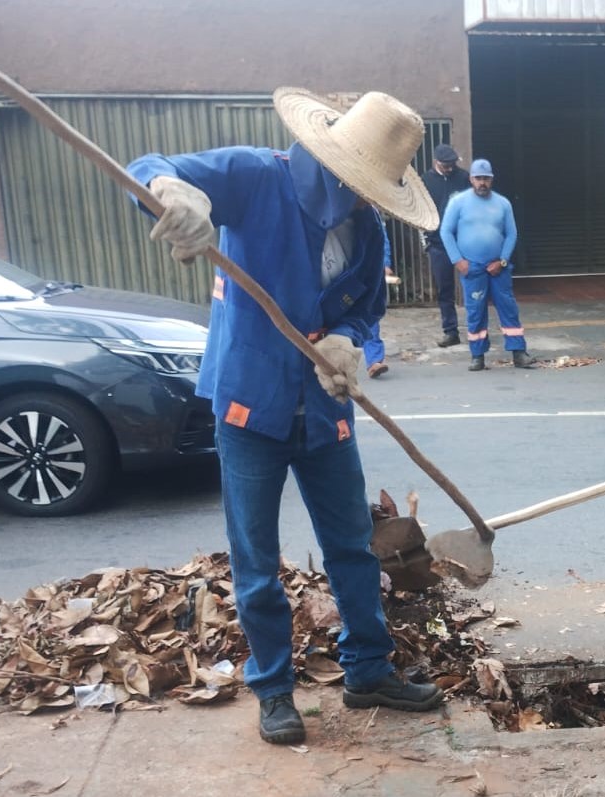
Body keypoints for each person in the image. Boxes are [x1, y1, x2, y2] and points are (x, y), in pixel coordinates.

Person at [126, 88, 445, 746]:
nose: (366, 198)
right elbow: (148, 164)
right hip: (251, 406)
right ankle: (273, 688)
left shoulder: (367, 228)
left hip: (324, 407)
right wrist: (171, 194)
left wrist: (348, 340)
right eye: (362, 185)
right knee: (257, 560)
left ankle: (367, 670)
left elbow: (362, 308)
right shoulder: (255, 177)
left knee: (353, 545)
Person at [439, 158, 537, 371]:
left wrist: (502, 261)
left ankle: (519, 353)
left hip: (498, 267)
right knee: (475, 311)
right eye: (478, 178)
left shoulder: (503, 203)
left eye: (486, 178)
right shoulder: (458, 202)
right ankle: (477, 355)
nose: (482, 182)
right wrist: (458, 260)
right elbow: (445, 231)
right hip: (471, 267)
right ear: (471, 179)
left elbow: (511, 234)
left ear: (491, 180)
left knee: (508, 308)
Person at [422, 144, 469, 348]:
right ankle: (451, 332)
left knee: (474, 285)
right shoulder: (425, 181)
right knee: (445, 290)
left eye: (452, 164)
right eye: (446, 165)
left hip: (464, 241)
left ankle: (478, 330)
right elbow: (420, 211)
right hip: (438, 243)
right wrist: (425, 239)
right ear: (436, 162)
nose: (450, 168)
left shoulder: (464, 177)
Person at [363, 223, 394, 379]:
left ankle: (374, 360)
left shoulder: (372, 213)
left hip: (369, 270)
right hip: (343, 271)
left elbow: (382, 240)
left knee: (370, 315)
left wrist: (385, 263)